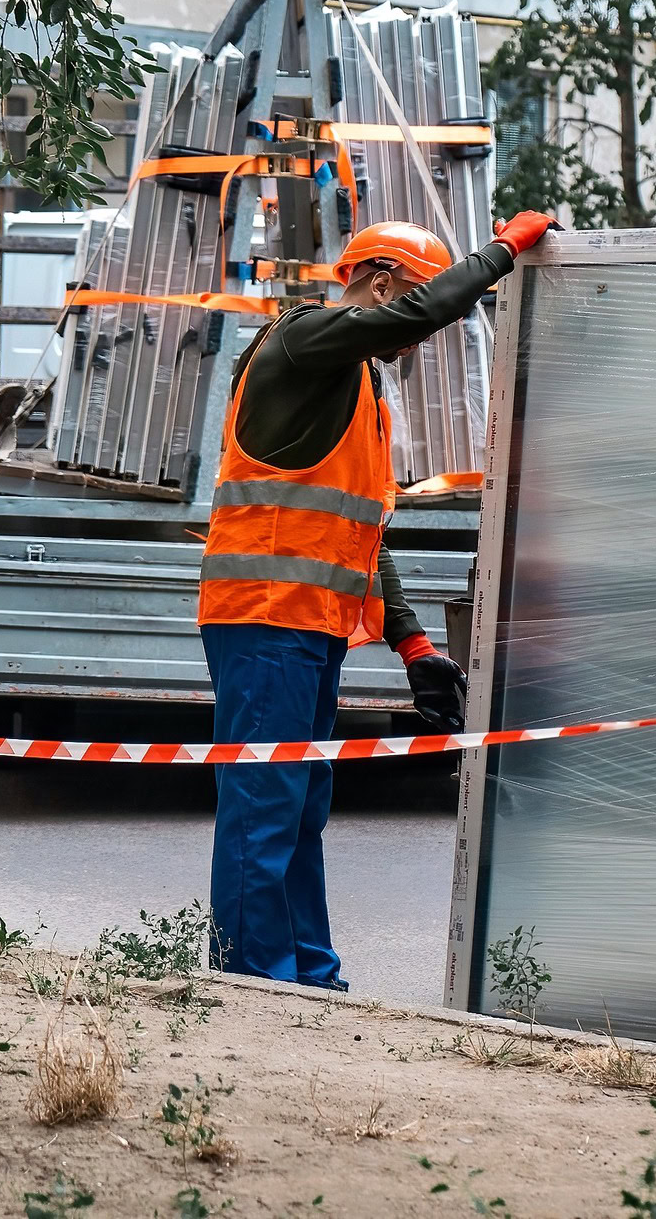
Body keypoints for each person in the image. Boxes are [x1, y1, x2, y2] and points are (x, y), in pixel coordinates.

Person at [200, 212, 557, 988]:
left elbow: (364, 534)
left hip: (307, 626)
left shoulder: (356, 384)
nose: (416, 339)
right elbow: (426, 310)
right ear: (384, 281)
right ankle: (252, 981)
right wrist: (504, 250)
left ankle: (309, 974)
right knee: (265, 803)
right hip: (263, 616)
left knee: (297, 807)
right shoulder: (303, 338)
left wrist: (415, 646)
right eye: (410, 310)